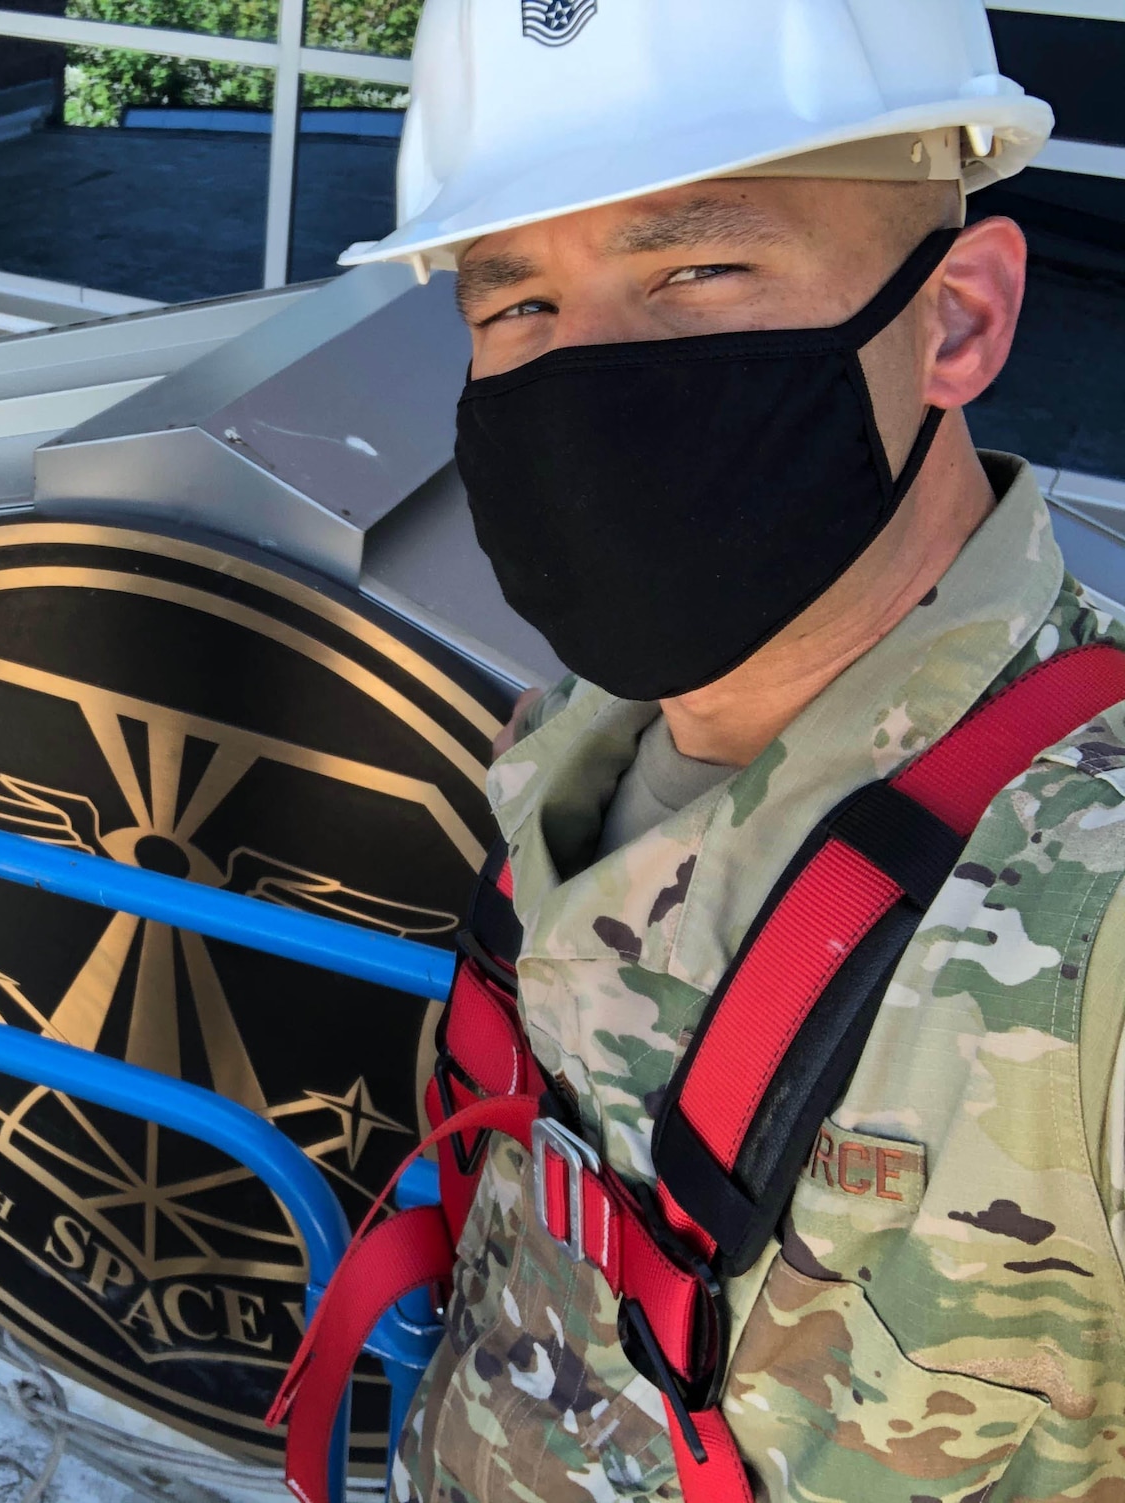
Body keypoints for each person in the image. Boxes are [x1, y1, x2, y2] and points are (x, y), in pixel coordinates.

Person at [315, 2, 1124, 1499]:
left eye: (698, 269)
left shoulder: (1098, 905)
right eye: (515, 311)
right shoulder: (569, 739)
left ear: (958, 318)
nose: (583, 383)